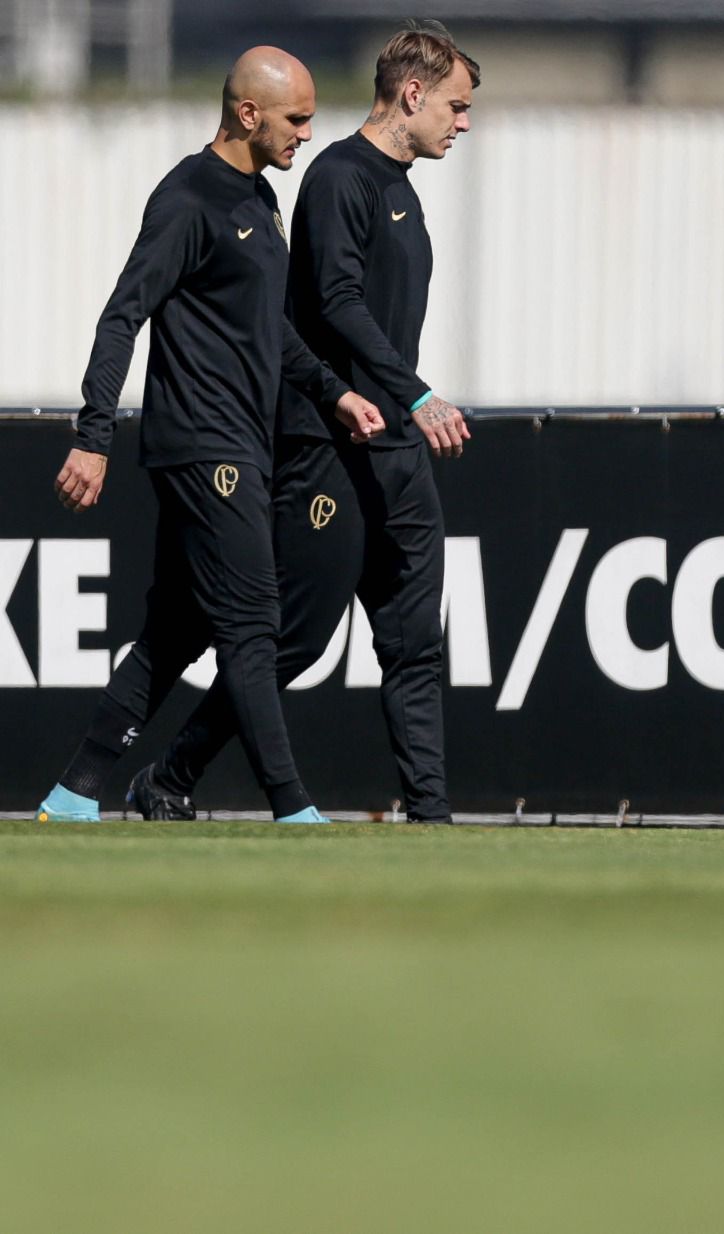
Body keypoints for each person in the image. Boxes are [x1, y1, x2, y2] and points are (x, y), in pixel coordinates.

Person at [128, 21, 478, 825]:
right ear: (412, 93)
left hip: (396, 449)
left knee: (416, 642)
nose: (463, 123)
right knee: (294, 640)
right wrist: (416, 394)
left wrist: (406, 407)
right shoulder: (338, 179)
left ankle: (431, 816)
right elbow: (336, 305)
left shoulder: (403, 191)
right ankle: (168, 775)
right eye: (456, 106)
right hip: (330, 446)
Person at [37, 47, 386, 825]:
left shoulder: (261, 201)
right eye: (297, 117)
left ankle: (70, 795)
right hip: (202, 444)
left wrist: (334, 395)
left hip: (241, 446)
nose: (307, 131)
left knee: (177, 631)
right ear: (248, 113)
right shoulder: (188, 199)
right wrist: (94, 435)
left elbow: (271, 333)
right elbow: (121, 315)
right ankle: (293, 810)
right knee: (255, 625)